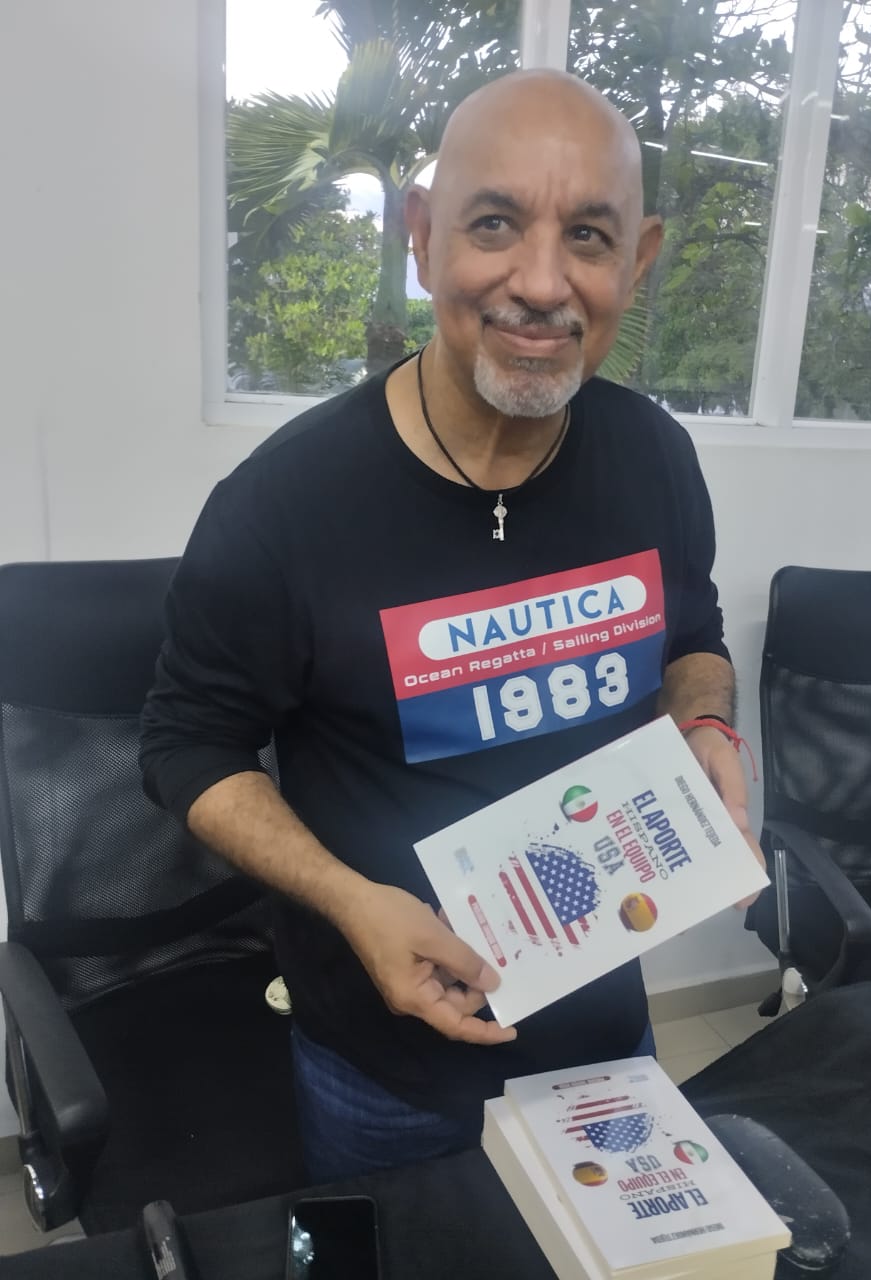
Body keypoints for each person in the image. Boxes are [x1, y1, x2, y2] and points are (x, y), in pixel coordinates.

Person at [139, 68, 762, 1183]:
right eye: (494, 224)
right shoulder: (285, 505)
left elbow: (691, 635)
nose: (542, 282)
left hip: (606, 1041)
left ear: (638, 260)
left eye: (587, 236)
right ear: (421, 237)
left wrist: (707, 724)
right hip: (385, 1066)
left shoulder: (654, 458)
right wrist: (349, 901)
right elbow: (186, 744)